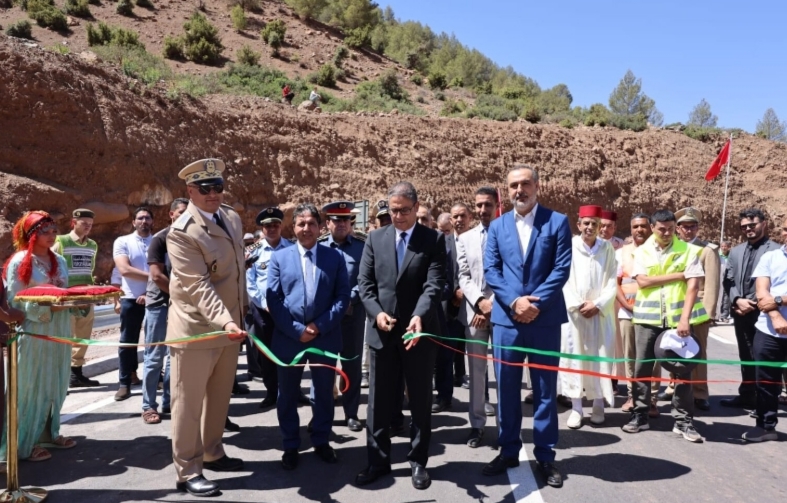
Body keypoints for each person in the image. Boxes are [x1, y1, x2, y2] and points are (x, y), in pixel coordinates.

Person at [482, 164, 571, 488]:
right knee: (506, 390)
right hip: (507, 321)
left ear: (537, 186)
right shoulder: (497, 226)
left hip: (544, 320)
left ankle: (545, 456)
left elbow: (561, 269)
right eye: (513, 186)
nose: (519, 190)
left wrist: (535, 304)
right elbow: (492, 270)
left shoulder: (557, 222)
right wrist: (514, 302)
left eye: (525, 184)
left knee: (545, 391)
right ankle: (508, 450)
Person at [356, 181, 446, 490]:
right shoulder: (375, 238)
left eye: (404, 211)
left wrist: (419, 315)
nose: (398, 216)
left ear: (416, 208)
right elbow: (365, 283)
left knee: (419, 401)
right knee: (378, 403)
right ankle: (377, 461)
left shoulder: (432, 239)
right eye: (394, 211)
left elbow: (433, 285)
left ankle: (418, 461)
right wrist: (376, 313)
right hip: (382, 334)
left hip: (417, 334)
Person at [166, 158, 248, 497]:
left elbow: (238, 272)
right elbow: (199, 286)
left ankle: (213, 452)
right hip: (196, 330)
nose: (213, 194)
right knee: (188, 405)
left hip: (230, 327)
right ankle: (187, 470)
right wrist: (227, 320)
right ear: (190, 191)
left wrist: (241, 315)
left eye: (218, 187)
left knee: (219, 399)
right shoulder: (182, 232)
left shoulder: (231, 218)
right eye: (205, 189)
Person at [267, 203, 350, 469]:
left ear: (320, 227)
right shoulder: (279, 258)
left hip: (324, 338)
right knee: (287, 394)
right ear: (293, 228)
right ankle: (290, 444)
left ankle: (321, 440)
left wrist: (318, 326)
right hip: (288, 339)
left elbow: (342, 297)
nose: (306, 228)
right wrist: (296, 330)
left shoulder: (334, 258)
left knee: (323, 393)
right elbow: (273, 299)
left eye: (312, 223)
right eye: (301, 224)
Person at [623, 209, 707, 443]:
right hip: (647, 320)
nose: (667, 233)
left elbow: (693, 286)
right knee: (642, 369)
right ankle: (640, 414)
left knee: (682, 370)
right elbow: (643, 281)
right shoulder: (642, 252)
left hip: (678, 321)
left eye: (671, 229)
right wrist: (679, 275)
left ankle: (683, 420)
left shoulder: (689, 251)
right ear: (652, 228)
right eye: (662, 229)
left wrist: (684, 319)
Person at [1, 211, 78, 464]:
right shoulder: (20, 261)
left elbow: (64, 292)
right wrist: (47, 309)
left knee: (55, 381)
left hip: (60, 328)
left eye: (54, 231)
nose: (52, 235)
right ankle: (23, 443)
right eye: (45, 231)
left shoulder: (60, 260)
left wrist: (74, 304)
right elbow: (14, 301)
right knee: (30, 385)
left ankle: (47, 434)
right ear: (31, 235)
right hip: (34, 329)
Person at [559, 205, 617, 429]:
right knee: (575, 358)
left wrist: (598, 304)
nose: (590, 227)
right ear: (579, 224)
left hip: (599, 314)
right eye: (586, 223)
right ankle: (576, 408)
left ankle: (598, 404)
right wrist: (577, 304)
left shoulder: (607, 248)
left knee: (599, 357)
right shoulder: (569, 246)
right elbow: (563, 278)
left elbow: (612, 280)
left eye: (594, 223)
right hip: (575, 314)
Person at [658, 207, 719, 411]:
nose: (688, 230)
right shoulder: (673, 248)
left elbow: (711, 284)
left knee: (697, 351)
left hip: (698, 310)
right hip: (676, 307)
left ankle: (700, 392)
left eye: (693, 226)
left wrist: (708, 314)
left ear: (698, 228)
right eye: (684, 226)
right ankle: (673, 386)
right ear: (678, 228)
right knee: (675, 348)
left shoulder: (707, 250)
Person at [721, 208, 779, 409]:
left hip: (766, 312)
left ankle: (764, 402)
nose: (748, 229)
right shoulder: (736, 251)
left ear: (764, 224)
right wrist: (737, 300)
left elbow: (775, 283)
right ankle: (747, 395)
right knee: (745, 354)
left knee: (764, 357)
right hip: (741, 312)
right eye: (744, 226)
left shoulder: (776, 251)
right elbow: (728, 280)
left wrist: (751, 303)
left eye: (752, 225)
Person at [456, 186, 499, 447]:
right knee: (476, 372)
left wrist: (491, 304)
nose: (483, 210)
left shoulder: (508, 234)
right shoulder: (465, 238)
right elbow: (463, 275)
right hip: (474, 313)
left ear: (497, 206)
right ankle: (477, 425)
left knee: (504, 372)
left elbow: (511, 274)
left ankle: (507, 428)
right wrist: (480, 303)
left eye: (488, 204)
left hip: (503, 312)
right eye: (479, 205)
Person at [318, 201, 366, 432]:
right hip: (324, 317)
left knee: (351, 366)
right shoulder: (318, 247)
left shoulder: (362, 247)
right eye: (336, 220)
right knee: (324, 367)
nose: (342, 224)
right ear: (328, 223)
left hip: (351, 315)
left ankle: (351, 413)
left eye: (346, 219)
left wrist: (348, 300)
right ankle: (322, 414)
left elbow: (366, 280)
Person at [140, 198, 188, 425]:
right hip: (159, 304)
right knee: (154, 357)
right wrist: (182, 296)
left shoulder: (192, 239)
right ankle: (149, 406)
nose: (185, 216)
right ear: (171, 214)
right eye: (181, 212)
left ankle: (169, 401)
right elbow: (157, 275)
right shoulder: (160, 239)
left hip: (181, 305)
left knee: (175, 356)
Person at [246, 207, 295, 408]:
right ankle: (272, 392)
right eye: (268, 226)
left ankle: (292, 390)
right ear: (262, 228)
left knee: (291, 351)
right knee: (267, 353)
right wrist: (265, 304)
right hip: (263, 311)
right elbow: (250, 283)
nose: (272, 229)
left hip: (288, 309)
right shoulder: (253, 251)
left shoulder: (292, 248)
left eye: (275, 225)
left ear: (281, 226)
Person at [745, 216, 787, 441]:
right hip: (769, 330)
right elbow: (761, 291)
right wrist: (775, 315)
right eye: (786, 229)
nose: (786, 234)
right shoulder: (771, 257)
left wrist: (778, 300)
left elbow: (772, 297)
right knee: (766, 382)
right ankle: (766, 426)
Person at [617, 213, 661, 416]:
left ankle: (651, 399)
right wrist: (627, 305)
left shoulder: (658, 251)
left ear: (650, 228)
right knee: (630, 357)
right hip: (628, 312)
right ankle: (632, 395)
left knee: (653, 358)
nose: (639, 230)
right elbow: (615, 283)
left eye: (643, 226)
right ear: (630, 229)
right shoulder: (621, 253)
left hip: (652, 313)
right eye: (635, 227)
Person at [53, 208, 100, 388]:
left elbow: (90, 270)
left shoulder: (92, 245)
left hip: (85, 296)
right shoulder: (61, 241)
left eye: (90, 224)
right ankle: (63, 376)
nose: (88, 227)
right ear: (73, 222)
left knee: (83, 335)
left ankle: (76, 374)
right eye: (84, 223)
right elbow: (51, 266)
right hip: (67, 297)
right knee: (67, 336)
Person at [113, 207, 154, 401]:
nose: (144, 221)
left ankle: (156, 378)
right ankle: (124, 383)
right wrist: (154, 277)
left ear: (152, 221)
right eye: (140, 218)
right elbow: (124, 269)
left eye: (147, 218)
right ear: (133, 222)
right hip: (131, 297)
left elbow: (167, 268)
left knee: (155, 341)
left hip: (156, 297)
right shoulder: (123, 241)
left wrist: (150, 290)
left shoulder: (159, 241)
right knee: (128, 342)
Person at [361, 200, 392, 389]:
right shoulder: (371, 241)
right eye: (383, 219)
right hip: (374, 302)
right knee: (369, 338)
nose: (387, 221)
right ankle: (365, 370)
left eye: (389, 217)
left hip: (394, 304)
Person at [718, 240, 732, 323]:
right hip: (719, 278)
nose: (724, 248)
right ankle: (716, 315)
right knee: (718, 297)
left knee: (726, 298)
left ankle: (724, 316)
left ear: (728, 247)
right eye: (722, 246)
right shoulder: (717, 256)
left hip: (727, 279)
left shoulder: (731, 257)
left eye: (725, 246)